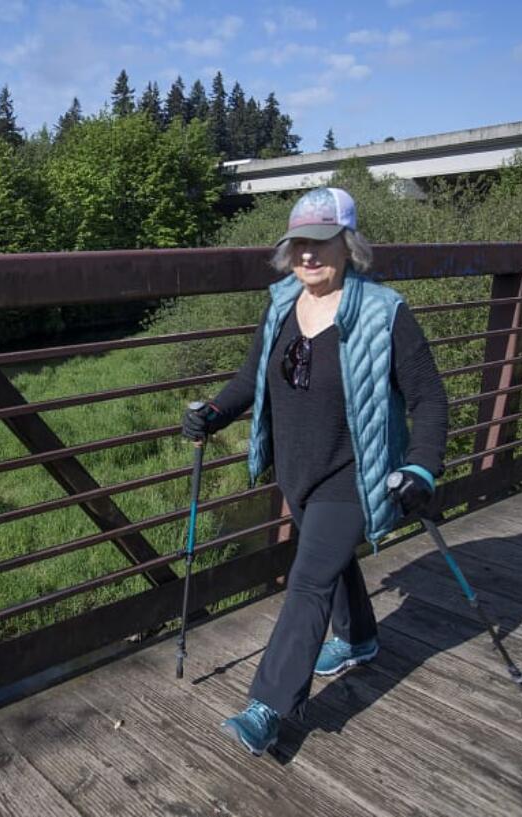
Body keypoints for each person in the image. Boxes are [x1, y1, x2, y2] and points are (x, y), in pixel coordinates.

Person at [181, 186, 448, 756]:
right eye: (299, 243)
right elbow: (251, 379)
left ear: (349, 245)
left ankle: (267, 707)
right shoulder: (281, 302)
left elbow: (428, 397)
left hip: (355, 472)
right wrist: (213, 412)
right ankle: (360, 638)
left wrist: (422, 466)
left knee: (306, 580)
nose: (308, 255)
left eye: (321, 242)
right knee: (327, 560)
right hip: (296, 469)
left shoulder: (384, 312)